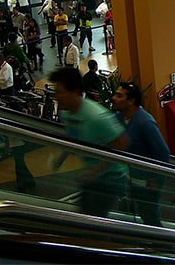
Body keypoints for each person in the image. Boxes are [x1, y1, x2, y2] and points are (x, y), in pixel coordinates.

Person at [50, 67, 129, 217]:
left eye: (60, 92)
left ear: (75, 92)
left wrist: (94, 172)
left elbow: (121, 144)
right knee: (88, 213)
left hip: (112, 176)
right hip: (93, 174)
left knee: (93, 216)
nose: (57, 97)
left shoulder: (97, 117)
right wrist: (61, 158)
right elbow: (73, 137)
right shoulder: (66, 113)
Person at [112, 82, 170, 227]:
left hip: (146, 184)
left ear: (131, 101)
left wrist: (156, 181)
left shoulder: (145, 123)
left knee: (150, 217)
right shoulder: (119, 117)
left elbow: (163, 153)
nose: (114, 98)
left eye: (119, 96)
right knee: (125, 213)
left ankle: (162, 246)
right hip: (129, 178)